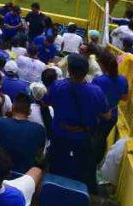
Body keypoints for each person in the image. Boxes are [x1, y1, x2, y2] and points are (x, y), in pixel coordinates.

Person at [46, 53, 110, 191]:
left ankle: (53, 187)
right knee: (83, 168)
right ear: (86, 72)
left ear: (69, 71)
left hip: (59, 134)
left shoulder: (57, 86)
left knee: (57, 164)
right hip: (83, 137)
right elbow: (107, 115)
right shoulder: (96, 91)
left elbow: (45, 103)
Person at [0, 93, 46, 174]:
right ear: (29, 112)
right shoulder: (39, 130)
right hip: (24, 177)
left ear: (12, 108)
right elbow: (39, 157)